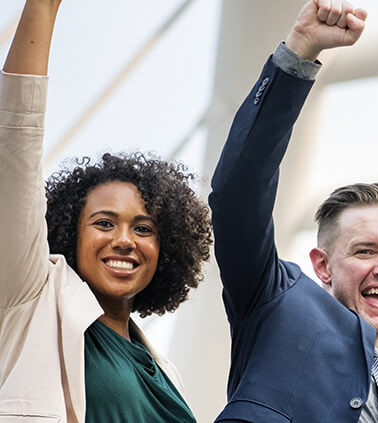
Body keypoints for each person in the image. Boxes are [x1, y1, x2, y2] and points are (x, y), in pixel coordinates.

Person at [0, 0, 213, 422]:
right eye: (103, 223)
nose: (124, 240)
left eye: (144, 228)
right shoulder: (32, 299)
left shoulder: (163, 369)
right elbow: (15, 145)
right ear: (69, 233)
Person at [209, 1, 378, 421]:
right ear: (322, 266)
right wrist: (299, 52)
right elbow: (238, 195)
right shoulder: (276, 300)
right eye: (365, 251)